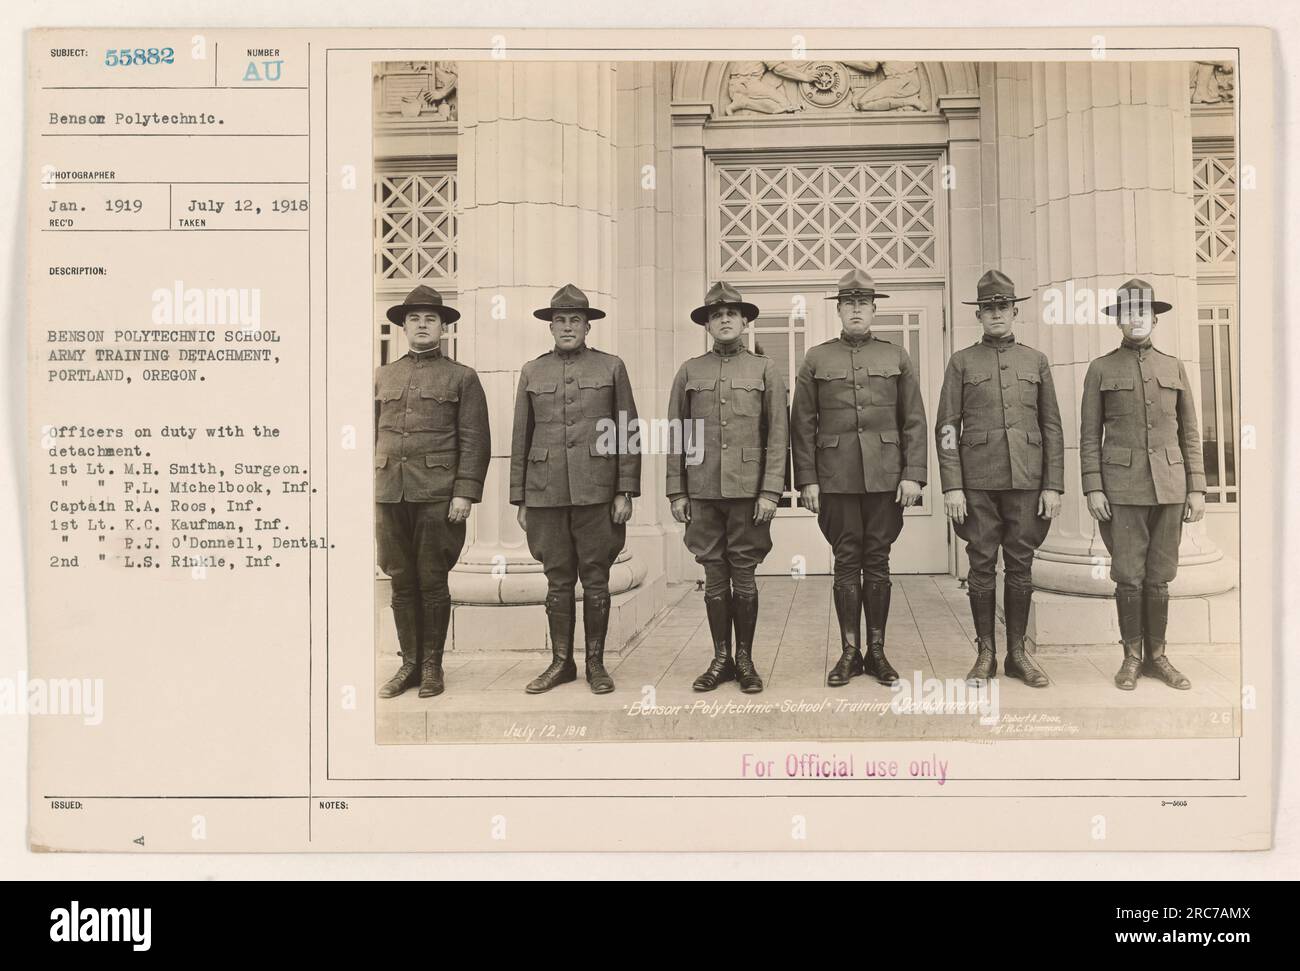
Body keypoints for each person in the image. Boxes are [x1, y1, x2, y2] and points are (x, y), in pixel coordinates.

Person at [791, 268, 928, 687]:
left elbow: (914, 421)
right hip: (835, 479)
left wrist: (914, 476)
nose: (856, 310)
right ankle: (850, 652)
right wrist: (808, 480)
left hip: (887, 479)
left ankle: (877, 651)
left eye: (863, 303)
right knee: (846, 562)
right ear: (839, 309)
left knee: (879, 561)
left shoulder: (896, 356)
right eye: (848, 303)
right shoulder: (817, 357)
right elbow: (802, 423)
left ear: (873, 309)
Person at [935, 270, 1064, 687]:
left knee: (1021, 567)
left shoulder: (1036, 361)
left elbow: (1052, 428)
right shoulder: (961, 362)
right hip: (976, 485)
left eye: (1002, 307)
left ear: (1015, 311)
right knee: (981, 566)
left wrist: (1053, 485)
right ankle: (986, 654)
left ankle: (1018, 655)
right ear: (979, 315)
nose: (995, 314)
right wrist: (953, 484)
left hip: (1027, 482)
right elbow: (947, 427)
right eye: (987, 308)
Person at [510, 284, 640, 695]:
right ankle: (560, 663)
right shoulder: (533, 371)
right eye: (559, 321)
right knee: (557, 581)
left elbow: (628, 432)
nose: (567, 327)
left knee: (596, 579)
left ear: (588, 327)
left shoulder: (611, 367)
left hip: (598, 492)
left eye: (575, 321)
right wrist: (521, 497)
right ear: (550, 327)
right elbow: (521, 436)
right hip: (545, 493)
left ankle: (596, 665)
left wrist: (625, 490)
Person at [1081, 278, 1206, 691]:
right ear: (1118, 322)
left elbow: (1190, 431)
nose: (1134, 319)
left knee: (1160, 575)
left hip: (1170, 486)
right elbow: (1088, 434)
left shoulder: (1173, 367)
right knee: (1129, 576)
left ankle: (1158, 657)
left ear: (1154, 318)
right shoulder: (1101, 368)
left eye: (1141, 312)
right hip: (1121, 487)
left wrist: (1197, 487)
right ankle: (1131, 658)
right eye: (1126, 313)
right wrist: (1093, 486)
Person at [666, 282, 789, 694]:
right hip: (702, 492)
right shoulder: (689, 371)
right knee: (715, 578)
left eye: (731, 314)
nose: (724, 320)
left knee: (746, 577)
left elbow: (778, 435)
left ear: (744, 321)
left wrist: (771, 491)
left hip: (749, 493)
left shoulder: (764, 369)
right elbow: (676, 435)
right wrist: (677, 491)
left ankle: (746, 661)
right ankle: (720, 658)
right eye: (716, 315)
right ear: (707, 324)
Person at [375, 285, 489, 699]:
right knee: (401, 581)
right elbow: (372, 435)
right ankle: (407, 664)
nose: (422, 325)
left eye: (431, 319)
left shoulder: (462, 377)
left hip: (437, 495)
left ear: (443, 327)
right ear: (404, 327)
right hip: (389, 494)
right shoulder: (383, 376)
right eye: (415, 319)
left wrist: (464, 493)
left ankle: (431, 667)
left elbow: (475, 441)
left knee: (432, 580)